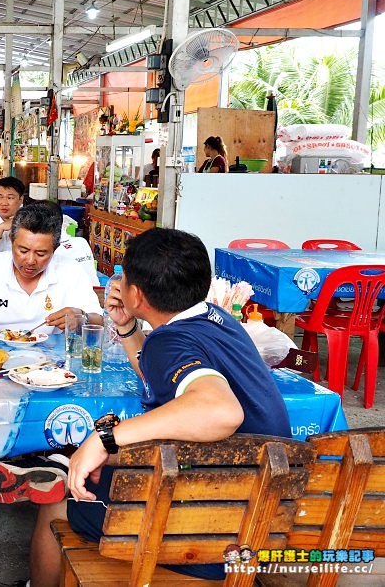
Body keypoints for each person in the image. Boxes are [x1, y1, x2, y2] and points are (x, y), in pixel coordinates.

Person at [29, 228, 291, 587]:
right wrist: (127, 328)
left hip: (215, 532)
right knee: (106, 464)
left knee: (57, 502)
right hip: (258, 509)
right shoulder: (216, 318)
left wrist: (104, 439)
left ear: (136, 293)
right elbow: (165, 375)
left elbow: (221, 411)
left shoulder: (169, 342)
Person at [0, 203, 102, 335]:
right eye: (23, 251)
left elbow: (98, 320)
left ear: (55, 249)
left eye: (41, 253)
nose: (30, 261)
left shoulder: (71, 271)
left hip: (52, 359)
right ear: (12, 240)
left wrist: (81, 318)